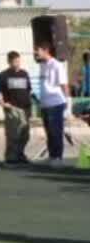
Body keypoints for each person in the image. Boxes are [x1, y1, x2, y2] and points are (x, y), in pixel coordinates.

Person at [0, 50, 32, 166]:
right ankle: (11, 157)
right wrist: (3, 103)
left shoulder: (24, 73)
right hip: (12, 108)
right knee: (13, 134)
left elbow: (28, 89)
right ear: (9, 62)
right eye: (15, 61)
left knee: (25, 134)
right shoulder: (3, 75)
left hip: (25, 108)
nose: (18, 63)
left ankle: (20, 154)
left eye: (19, 61)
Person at [37, 38, 69, 167]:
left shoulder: (56, 65)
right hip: (45, 104)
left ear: (46, 50)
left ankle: (58, 158)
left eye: (38, 50)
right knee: (49, 132)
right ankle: (52, 156)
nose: (36, 53)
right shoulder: (42, 65)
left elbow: (64, 85)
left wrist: (68, 102)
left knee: (56, 131)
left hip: (56, 104)